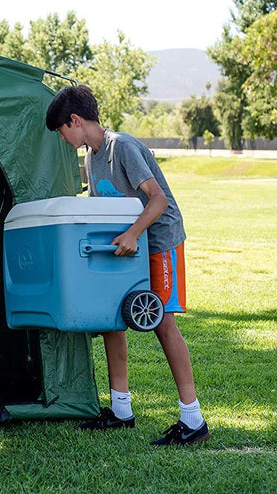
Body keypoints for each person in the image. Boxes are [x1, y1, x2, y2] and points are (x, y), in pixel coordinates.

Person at [45, 85, 210, 446]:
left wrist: (135, 233)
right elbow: (98, 207)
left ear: (75, 120)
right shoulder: (92, 156)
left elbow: (158, 199)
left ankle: (193, 419)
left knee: (162, 323)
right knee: (111, 319)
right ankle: (121, 410)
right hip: (124, 246)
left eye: (62, 130)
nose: (63, 138)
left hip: (159, 240)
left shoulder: (124, 147)